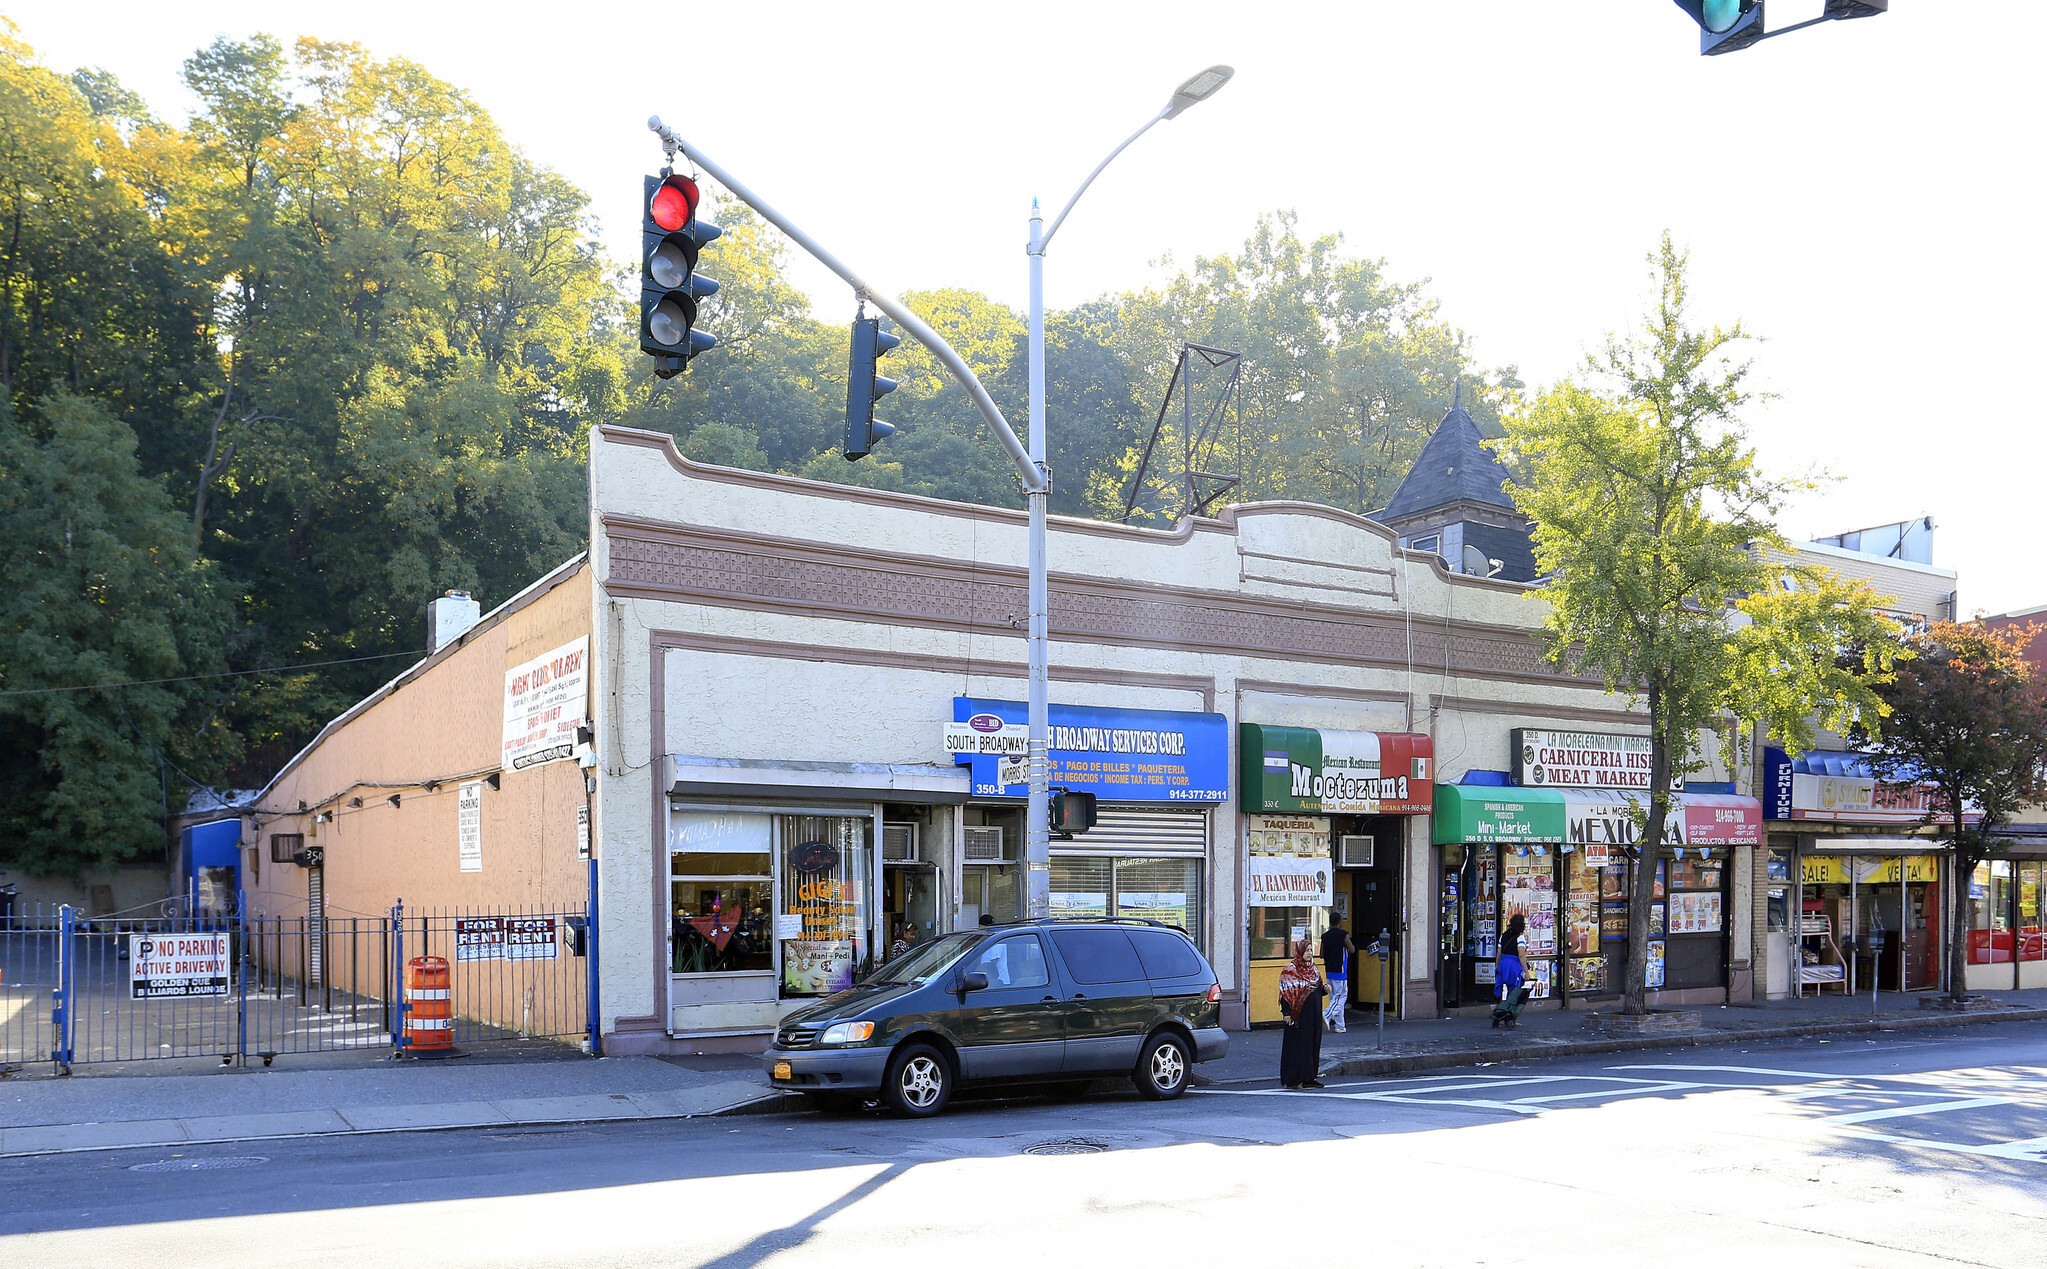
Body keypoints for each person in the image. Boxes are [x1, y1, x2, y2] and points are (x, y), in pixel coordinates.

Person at [1277, 938, 1327, 1089]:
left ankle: (1309, 1078)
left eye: (1311, 950)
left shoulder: (1314, 969)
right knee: (1297, 1047)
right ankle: (1292, 1079)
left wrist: (1325, 990)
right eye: (1307, 950)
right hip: (1297, 1017)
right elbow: (1285, 992)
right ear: (1299, 952)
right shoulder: (1290, 970)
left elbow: (1317, 989)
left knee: (1312, 1045)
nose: (1310, 953)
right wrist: (1286, 1013)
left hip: (1313, 1016)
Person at [1320, 917, 1355, 1033]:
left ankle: (1340, 1025)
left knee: (1334, 997)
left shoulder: (1325, 936)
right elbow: (1352, 949)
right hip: (1340, 971)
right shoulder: (1343, 935)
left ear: (1330, 922)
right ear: (1340, 922)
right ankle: (1327, 1014)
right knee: (1341, 996)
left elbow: (1321, 954)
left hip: (1329, 970)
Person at [1497, 912, 1527, 1026]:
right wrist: (1526, 972)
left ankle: (1500, 1011)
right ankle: (1510, 1016)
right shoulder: (1520, 938)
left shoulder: (1503, 935)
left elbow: (1499, 952)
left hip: (1503, 964)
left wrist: (1497, 965)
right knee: (1514, 991)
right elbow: (1521, 955)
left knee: (1503, 988)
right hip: (1514, 965)